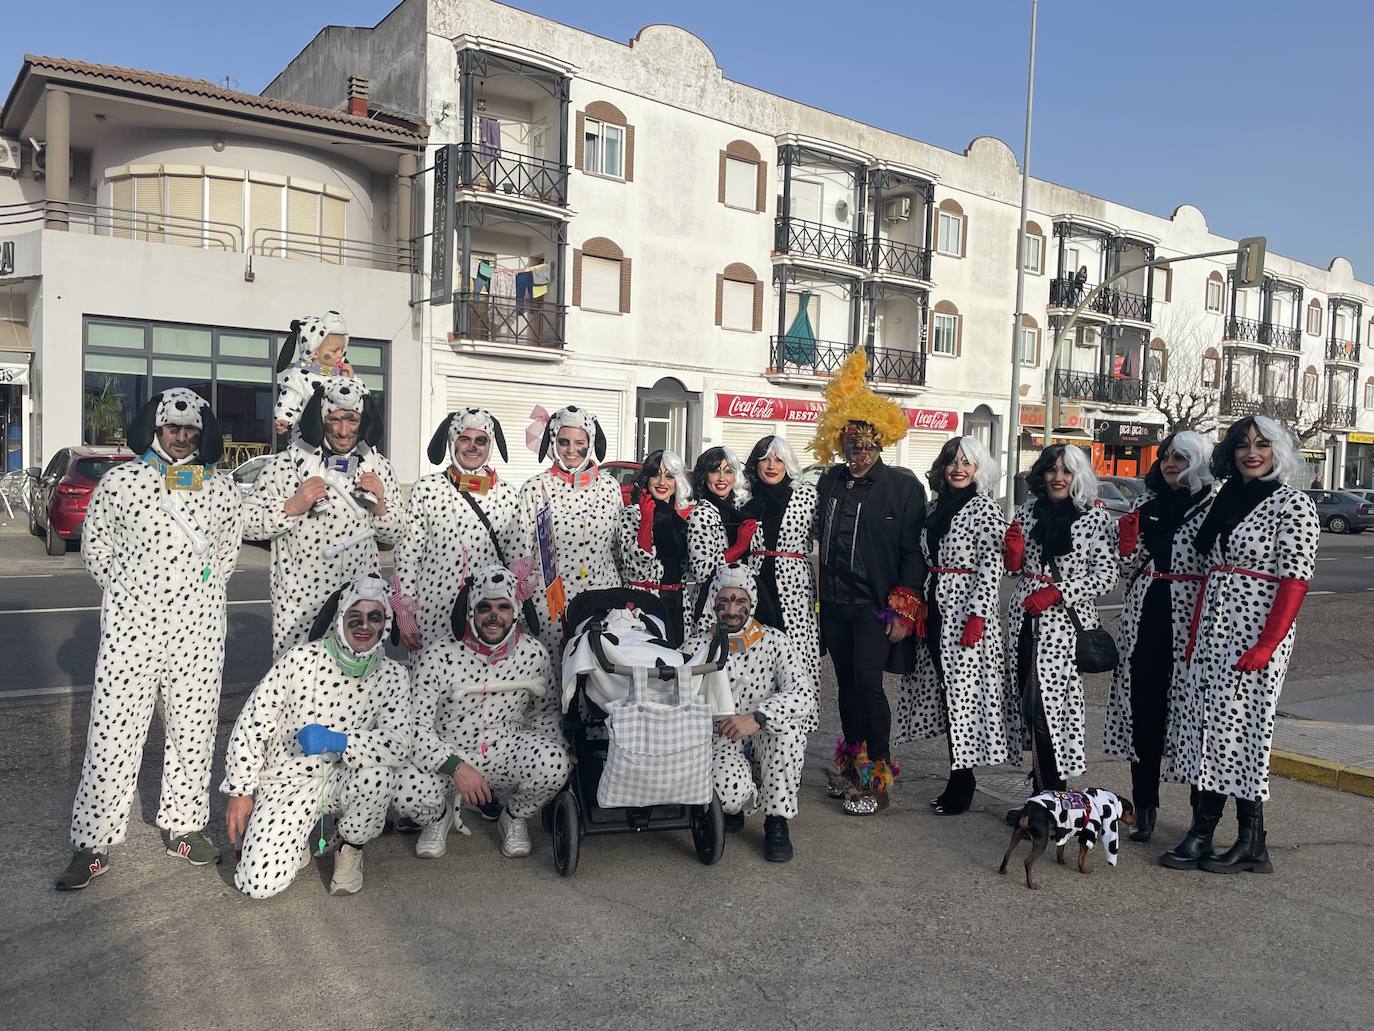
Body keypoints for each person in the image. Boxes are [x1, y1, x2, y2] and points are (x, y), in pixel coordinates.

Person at [56, 388, 241, 890]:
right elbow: (96, 550)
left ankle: (184, 826)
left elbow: (226, 555)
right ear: (155, 429)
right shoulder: (120, 482)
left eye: (191, 430)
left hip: (198, 632)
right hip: (132, 630)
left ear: (202, 433)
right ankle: (92, 842)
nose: (181, 438)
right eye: (172, 428)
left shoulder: (217, 488)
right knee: (112, 734)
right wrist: (132, 597)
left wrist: (195, 598)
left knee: (194, 730)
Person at [1159, 416, 1319, 874]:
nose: (1253, 452)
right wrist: (1193, 638)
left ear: (1278, 452)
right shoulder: (1226, 499)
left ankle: (1240, 839)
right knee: (1209, 730)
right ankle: (1212, 833)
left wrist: (1269, 643)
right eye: (1244, 444)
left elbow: (1295, 579)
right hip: (1213, 631)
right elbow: (1207, 571)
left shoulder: (1293, 504)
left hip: (1256, 632)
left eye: (1263, 444)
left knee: (1246, 731)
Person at [222, 574, 411, 898]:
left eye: (375, 617)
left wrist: (340, 741)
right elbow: (253, 722)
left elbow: (398, 745)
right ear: (341, 617)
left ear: (386, 623)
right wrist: (240, 791)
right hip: (288, 780)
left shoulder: (394, 675)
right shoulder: (299, 661)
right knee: (258, 885)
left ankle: (350, 848)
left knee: (378, 777)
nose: (364, 626)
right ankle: (293, 841)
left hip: (346, 778)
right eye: (356, 616)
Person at [810, 350, 927, 815]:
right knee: (845, 685)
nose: (857, 452)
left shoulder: (903, 486)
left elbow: (911, 553)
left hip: (873, 607)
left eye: (865, 444)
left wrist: (903, 608)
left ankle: (878, 773)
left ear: (880, 442)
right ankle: (852, 762)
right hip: (834, 604)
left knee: (869, 684)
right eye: (849, 444)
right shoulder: (830, 482)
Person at [393, 565, 569, 860]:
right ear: (470, 610)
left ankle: (513, 818)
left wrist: (562, 748)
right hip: (450, 753)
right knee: (402, 788)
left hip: (505, 751)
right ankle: (437, 818)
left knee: (555, 764)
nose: (493, 615)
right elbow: (415, 727)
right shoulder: (437, 656)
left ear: (515, 611)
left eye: (503, 607)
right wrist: (454, 766)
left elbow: (545, 713)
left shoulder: (533, 653)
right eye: (484, 607)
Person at [1104, 432, 1216, 843]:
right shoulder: (1144, 503)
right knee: (1144, 713)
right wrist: (1128, 544)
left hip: (1191, 618)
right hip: (1146, 615)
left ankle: (1198, 813)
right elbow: (1127, 566)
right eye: (1167, 456)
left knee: (1191, 717)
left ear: (1200, 461)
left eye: (1181, 457)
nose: (1170, 463)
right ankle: (1144, 806)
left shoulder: (1212, 507)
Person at [244, 376, 402, 659]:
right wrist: (291, 506)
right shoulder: (284, 466)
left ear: (363, 422)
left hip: (361, 603)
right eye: (335, 419)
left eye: (352, 420)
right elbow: (247, 523)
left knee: (360, 692)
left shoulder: (379, 467)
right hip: (301, 606)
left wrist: (380, 507)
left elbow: (395, 536)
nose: (343, 431)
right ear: (321, 418)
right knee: (300, 690)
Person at [896, 435, 1011, 816]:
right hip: (936, 609)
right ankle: (957, 773)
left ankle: (963, 780)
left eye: (967, 462)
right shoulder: (933, 509)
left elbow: (992, 566)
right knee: (948, 698)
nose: (958, 468)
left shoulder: (985, 510)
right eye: (953, 461)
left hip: (967, 615)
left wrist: (978, 615)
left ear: (979, 470)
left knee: (965, 698)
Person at [1003, 445, 1117, 799]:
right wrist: (1014, 553)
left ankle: (1056, 796)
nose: (1058, 478)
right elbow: (1015, 568)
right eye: (1052, 470)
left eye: (1066, 471)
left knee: (1052, 711)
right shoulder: (1027, 512)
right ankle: (1040, 794)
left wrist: (1058, 592)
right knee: (1028, 705)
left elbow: (1107, 575)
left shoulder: (1094, 519)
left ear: (1077, 476)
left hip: (1064, 629)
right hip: (1023, 620)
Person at [686, 563, 818, 862]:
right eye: (724, 601)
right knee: (729, 793)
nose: (731, 610)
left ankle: (777, 820)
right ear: (713, 602)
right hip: (720, 740)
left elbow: (804, 695)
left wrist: (758, 718)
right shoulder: (697, 644)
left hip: (764, 735)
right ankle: (733, 805)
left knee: (789, 734)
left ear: (752, 603)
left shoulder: (776, 641)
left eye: (740, 601)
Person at [394, 408, 524, 654]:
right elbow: (408, 556)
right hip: (432, 615)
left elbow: (517, 560)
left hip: (488, 615)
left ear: (490, 445)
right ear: (452, 442)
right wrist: (405, 613)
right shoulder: (426, 489)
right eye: (465, 439)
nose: (472, 447)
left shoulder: (508, 494)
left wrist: (518, 615)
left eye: (481, 440)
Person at [518, 405, 623, 670]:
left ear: (590, 443)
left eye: (579, 442)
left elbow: (618, 549)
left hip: (602, 600)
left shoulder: (610, 486)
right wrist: (524, 603)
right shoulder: (534, 487)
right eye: (563, 442)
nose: (571, 450)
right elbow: (521, 552)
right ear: (553, 442)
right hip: (551, 605)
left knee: (599, 675)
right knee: (553, 676)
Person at [741, 436, 818, 679]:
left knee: (795, 653)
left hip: (794, 586)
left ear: (788, 464)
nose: (771, 465)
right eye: (764, 459)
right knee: (755, 653)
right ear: (756, 464)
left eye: (778, 459)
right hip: (755, 584)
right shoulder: (745, 498)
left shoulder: (806, 497)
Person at [620, 449, 694, 645]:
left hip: (677, 603)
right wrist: (646, 521)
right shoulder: (631, 514)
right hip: (644, 602)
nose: (662, 482)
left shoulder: (679, 519)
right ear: (646, 478)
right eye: (656, 474)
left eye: (669, 476)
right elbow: (635, 568)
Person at [686, 446, 753, 634]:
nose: (722, 478)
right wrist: (739, 547)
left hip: (738, 604)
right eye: (715, 471)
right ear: (704, 475)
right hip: (711, 607)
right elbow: (700, 571)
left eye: (729, 471)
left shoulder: (735, 511)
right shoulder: (701, 514)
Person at [273, 310, 354, 435]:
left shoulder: (342, 375)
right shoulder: (299, 376)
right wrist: (284, 418)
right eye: (334, 350)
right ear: (314, 352)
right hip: (309, 438)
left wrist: (351, 381)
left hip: (340, 437)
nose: (340, 354)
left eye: (342, 350)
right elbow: (291, 398)